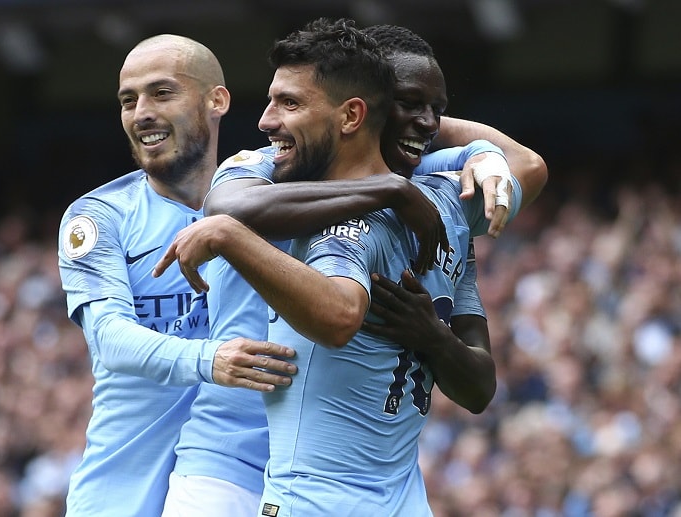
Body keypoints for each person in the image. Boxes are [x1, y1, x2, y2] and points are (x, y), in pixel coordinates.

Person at [158, 22, 546, 516]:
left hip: (337, 492)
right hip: (237, 456)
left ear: (353, 113)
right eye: (409, 104)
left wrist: (478, 152)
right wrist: (395, 186)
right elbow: (227, 209)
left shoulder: (432, 203)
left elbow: (344, 317)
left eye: (290, 103)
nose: (267, 121)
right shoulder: (268, 168)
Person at [56, 34, 297, 517]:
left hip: (242, 481)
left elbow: (379, 141)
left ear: (217, 100)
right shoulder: (99, 217)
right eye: (128, 100)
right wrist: (212, 359)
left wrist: (463, 145)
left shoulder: (272, 189)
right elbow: (110, 339)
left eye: (161, 93)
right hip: (122, 490)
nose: (141, 113)